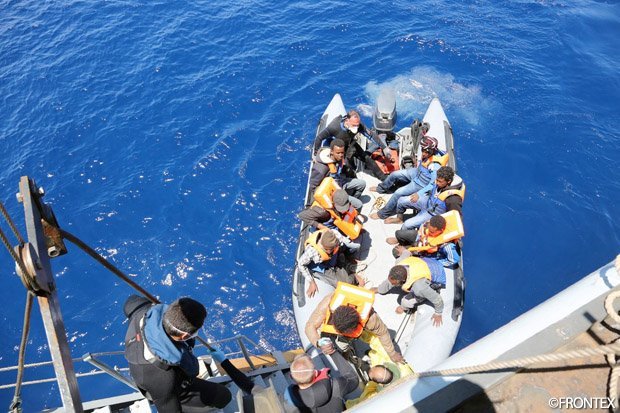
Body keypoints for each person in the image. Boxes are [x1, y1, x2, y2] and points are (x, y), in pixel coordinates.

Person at [123, 295, 254, 412]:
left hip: (139, 354)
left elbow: (130, 302)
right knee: (224, 396)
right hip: (163, 388)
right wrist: (224, 361)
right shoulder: (165, 380)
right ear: (184, 335)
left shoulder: (140, 308)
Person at [305, 282, 404, 363]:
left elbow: (383, 333)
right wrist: (319, 343)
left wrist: (392, 354)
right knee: (342, 345)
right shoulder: (327, 305)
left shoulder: (371, 319)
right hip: (341, 319)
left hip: (360, 319)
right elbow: (310, 326)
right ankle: (347, 354)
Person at [369, 136, 447, 223]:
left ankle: (383, 213)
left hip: (421, 183)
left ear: (433, 150)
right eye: (423, 150)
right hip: (417, 172)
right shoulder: (428, 153)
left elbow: (433, 184)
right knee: (394, 174)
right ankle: (381, 188)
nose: (424, 153)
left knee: (398, 193)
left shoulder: (435, 165)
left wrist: (419, 193)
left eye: (426, 152)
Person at [313, 109, 391, 181]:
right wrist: (316, 154)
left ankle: (384, 178)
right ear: (347, 121)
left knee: (367, 159)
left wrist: (384, 147)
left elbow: (371, 136)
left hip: (350, 144)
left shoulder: (358, 125)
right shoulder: (334, 127)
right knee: (346, 167)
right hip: (339, 150)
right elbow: (319, 138)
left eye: (357, 125)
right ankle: (353, 181)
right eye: (354, 125)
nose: (356, 128)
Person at [373, 257, 446, 327]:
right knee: (392, 281)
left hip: (436, 278)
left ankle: (405, 306)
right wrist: (380, 289)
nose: (392, 284)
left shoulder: (419, 288)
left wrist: (438, 313)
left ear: (402, 281)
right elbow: (406, 252)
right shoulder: (400, 262)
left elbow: (437, 299)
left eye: (394, 284)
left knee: (406, 302)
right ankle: (381, 289)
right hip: (429, 263)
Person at [390, 165, 465, 230]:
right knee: (401, 200)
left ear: (448, 181)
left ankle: (404, 242)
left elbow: (456, 217)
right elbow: (431, 186)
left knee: (407, 224)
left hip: (433, 214)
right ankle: (399, 219)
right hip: (428, 202)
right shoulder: (439, 183)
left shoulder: (453, 199)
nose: (437, 183)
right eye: (437, 180)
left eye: (440, 182)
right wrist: (419, 194)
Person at [284, 352, 359, 412]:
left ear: (291, 377)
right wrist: (333, 352)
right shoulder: (335, 386)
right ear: (316, 373)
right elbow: (353, 378)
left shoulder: (290, 402)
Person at [297, 229, 362, 298]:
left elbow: (344, 242)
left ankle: (353, 275)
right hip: (321, 266)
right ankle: (351, 276)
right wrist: (311, 282)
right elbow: (301, 264)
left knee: (348, 280)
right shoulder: (312, 252)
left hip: (332, 259)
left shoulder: (334, 235)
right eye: (328, 249)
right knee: (341, 284)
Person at [298, 189, 363, 254]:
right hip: (328, 225)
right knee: (356, 245)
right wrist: (323, 228)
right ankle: (345, 254)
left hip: (337, 221)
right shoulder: (321, 212)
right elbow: (301, 215)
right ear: (333, 203)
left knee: (356, 234)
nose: (344, 210)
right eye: (341, 208)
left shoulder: (340, 195)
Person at [388, 214, 462, 268]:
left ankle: (407, 252)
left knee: (396, 252)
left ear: (441, 230)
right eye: (429, 229)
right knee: (398, 233)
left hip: (425, 251)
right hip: (420, 239)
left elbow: (453, 260)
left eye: (432, 232)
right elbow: (422, 230)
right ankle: (405, 246)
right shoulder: (433, 223)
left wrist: (436, 263)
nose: (429, 232)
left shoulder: (447, 245)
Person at [309, 139, 365, 208]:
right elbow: (313, 187)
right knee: (359, 205)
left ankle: (348, 204)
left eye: (342, 153)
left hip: (341, 181)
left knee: (362, 184)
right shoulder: (321, 169)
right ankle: (346, 206)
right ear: (331, 152)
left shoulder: (338, 159)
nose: (341, 155)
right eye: (338, 153)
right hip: (333, 192)